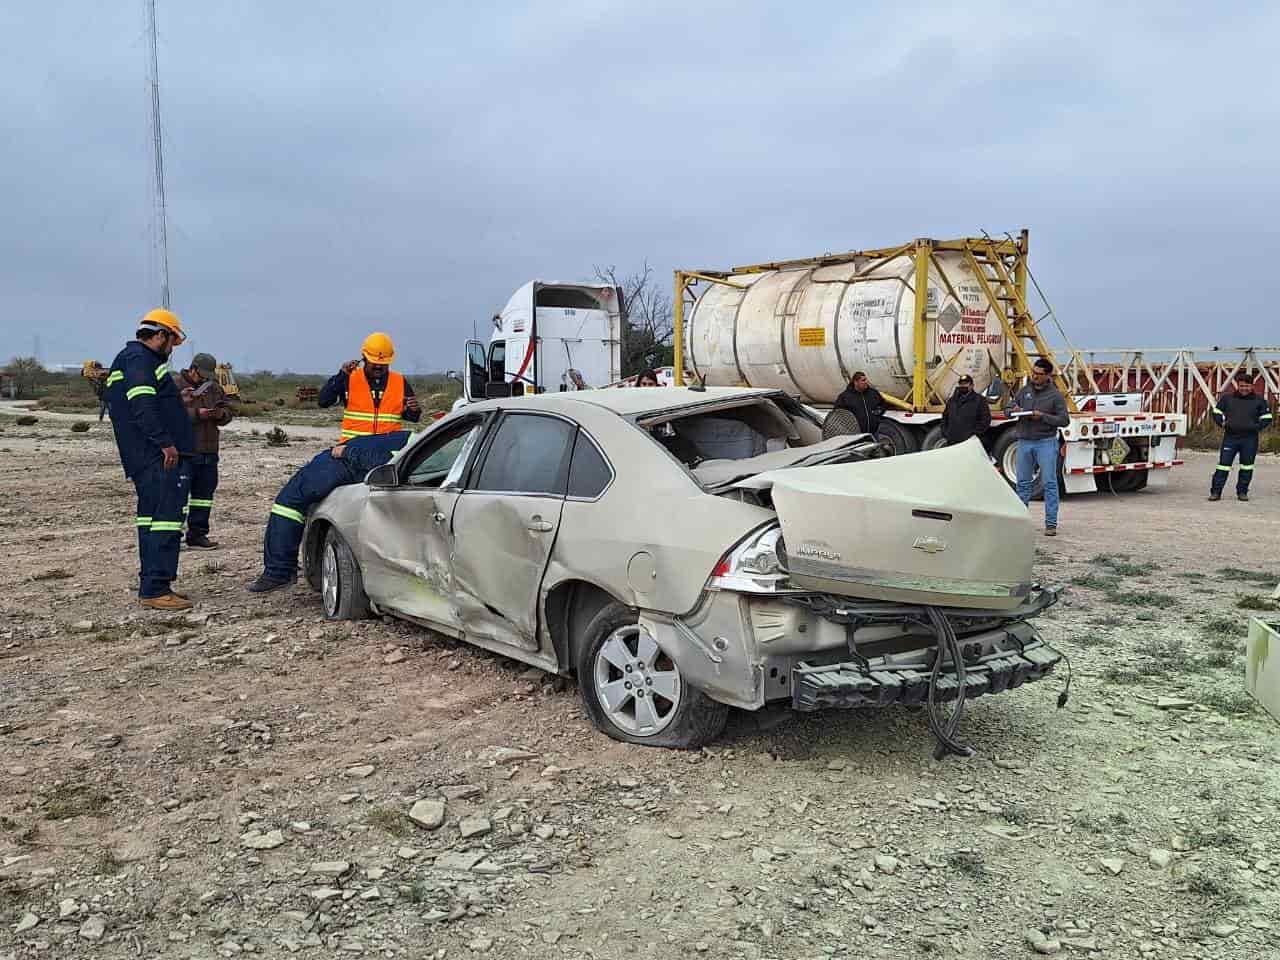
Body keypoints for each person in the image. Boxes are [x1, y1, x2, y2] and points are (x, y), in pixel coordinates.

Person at [105, 308, 196, 610]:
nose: (172, 349)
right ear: (160, 335)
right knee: (166, 521)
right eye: (172, 341)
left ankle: (153, 583)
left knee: (151, 520)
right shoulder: (140, 360)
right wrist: (166, 444)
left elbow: (144, 402)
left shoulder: (132, 360)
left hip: (146, 457)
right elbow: (142, 406)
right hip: (158, 458)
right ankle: (156, 588)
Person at [247, 431, 413, 593]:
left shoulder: (425, 443)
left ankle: (278, 573)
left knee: (288, 505)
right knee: (293, 504)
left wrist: (347, 451)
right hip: (344, 459)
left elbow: (385, 461)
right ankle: (280, 568)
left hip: (341, 461)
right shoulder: (428, 441)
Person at [174, 353, 233, 549]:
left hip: (209, 450)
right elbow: (168, 414)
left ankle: (197, 535)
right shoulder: (175, 385)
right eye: (203, 374)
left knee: (203, 497)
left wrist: (220, 414)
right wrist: (196, 414)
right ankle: (172, 536)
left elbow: (228, 413)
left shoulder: (214, 387)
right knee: (178, 497)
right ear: (193, 368)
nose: (205, 378)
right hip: (186, 451)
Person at [318, 332, 422, 439]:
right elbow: (323, 401)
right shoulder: (349, 378)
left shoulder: (399, 381)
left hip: (387, 450)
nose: (378, 366)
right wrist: (342, 375)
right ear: (364, 358)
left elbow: (413, 417)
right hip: (352, 450)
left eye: (383, 364)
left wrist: (414, 411)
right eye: (374, 362)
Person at [1009, 358, 1070, 536]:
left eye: (1038, 374)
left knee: (1049, 483)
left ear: (1047, 375)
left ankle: (1051, 524)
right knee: (1022, 483)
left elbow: (1064, 420)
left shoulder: (1056, 396)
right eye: (1033, 372)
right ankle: (1021, 522)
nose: (1034, 376)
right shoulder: (1024, 391)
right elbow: (1009, 407)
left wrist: (1042, 416)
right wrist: (1013, 410)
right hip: (1024, 441)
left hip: (1046, 442)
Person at [1209, 369, 1274, 502]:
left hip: (1250, 439)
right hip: (1230, 438)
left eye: (1247, 386)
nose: (1244, 388)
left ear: (1252, 386)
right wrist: (1222, 423)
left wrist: (1256, 428)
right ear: (1237, 385)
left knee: (1247, 466)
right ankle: (1215, 492)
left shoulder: (1259, 400)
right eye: (1242, 386)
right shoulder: (1227, 398)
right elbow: (1216, 412)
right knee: (1223, 465)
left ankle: (1242, 492)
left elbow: (1267, 417)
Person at [940, 373, 992, 445]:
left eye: (966, 383)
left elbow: (986, 419)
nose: (963, 385)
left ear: (972, 386)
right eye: (961, 384)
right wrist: (946, 432)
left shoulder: (979, 400)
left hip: (969, 443)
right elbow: (945, 417)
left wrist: (973, 433)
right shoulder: (952, 400)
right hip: (952, 441)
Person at [834, 372, 885, 436]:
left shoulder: (873, 393)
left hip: (874, 433)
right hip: (855, 435)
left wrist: (880, 411)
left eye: (866, 379)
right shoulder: (845, 397)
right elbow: (838, 413)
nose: (866, 382)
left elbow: (883, 404)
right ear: (856, 382)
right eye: (863, 380)